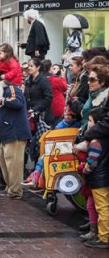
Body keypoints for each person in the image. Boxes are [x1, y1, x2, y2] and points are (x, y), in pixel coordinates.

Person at [76, 106, 109, 249]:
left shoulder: (96, 142)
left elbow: (92, 162)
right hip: (103, 177)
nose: (88, 123)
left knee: (102, 207)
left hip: (98, 178)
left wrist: (85, 169)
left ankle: (104, 237)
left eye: (90, 121)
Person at [0, 77, 32, 199]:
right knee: (4, 160)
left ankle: (15, 190)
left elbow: (17, 102)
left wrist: (3, 100)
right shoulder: (7, 90)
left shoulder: (12, 88)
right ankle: (10, 187)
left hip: (15, 133)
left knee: (14, 163)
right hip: (7, 133)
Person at [0, 43, 22, 111]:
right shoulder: (4, 61)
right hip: (11, 79)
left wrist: (5, 76)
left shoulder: (11, 61)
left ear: (6, 53)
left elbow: (14, 71)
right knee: (0, 85)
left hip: (13, 81)